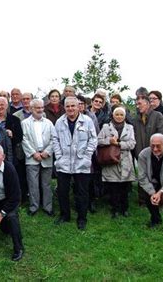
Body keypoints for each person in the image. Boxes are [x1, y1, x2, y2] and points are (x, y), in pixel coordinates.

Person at [52, 96, 97, 230]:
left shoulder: (87, 121)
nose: (70, 109)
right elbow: (55, 140)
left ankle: (82, 218)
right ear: (64, 107)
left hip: (81, 162)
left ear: (78, 107)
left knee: (82, 192)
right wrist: (59, 157)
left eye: (73, 106)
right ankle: (65, 215)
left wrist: (87, 156)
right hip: (64, 163)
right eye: (68, 106)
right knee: (62, 191)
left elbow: (93, 140)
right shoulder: (60, 122)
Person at [97, 107, 136, 218]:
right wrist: (109, 141)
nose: (119, 116)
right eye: (117, 114)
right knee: (113, 187)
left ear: (124, 116)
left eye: (121, 115)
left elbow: (132, 144)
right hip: (111, 160)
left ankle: (125, 209)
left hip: (125, 161)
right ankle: (115, 209)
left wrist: (118, 143)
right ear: (113, 115)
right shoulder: (106, 127)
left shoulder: (130, 128)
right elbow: (98, 141)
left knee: (124, 187)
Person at [21, 99, 56, 216]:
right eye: (37, 108)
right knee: (33, 184)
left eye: (42, 107)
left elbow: (54, 139)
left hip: (47, 157)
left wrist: (47, 152)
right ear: (31, 109)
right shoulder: (25, 123)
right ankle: (33, 207)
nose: (41, 110)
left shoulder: (49, 123)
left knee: (46, 184)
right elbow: (24, 140)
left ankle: (48, 207)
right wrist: (33, 153)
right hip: (32, 158)